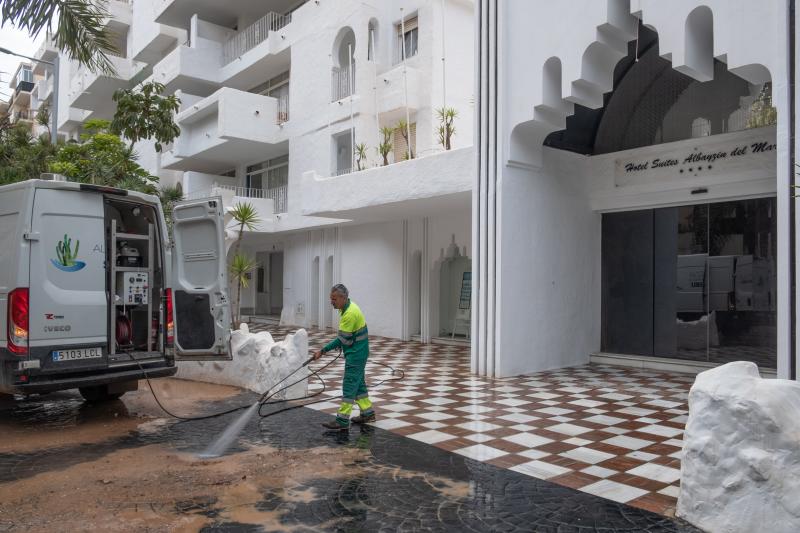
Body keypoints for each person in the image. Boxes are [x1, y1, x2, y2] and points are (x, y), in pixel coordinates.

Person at [314, 284, 375, 430]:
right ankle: (368, 413)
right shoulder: (348, 307)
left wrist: (322, 351)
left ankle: (342, 420)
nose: (331, 302)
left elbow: (341, 339)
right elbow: (347, 337)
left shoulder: (349, 314)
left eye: (334, 299)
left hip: (356, 355)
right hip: (358, 352)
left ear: (343, 297)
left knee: (349, 386)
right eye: (331, 299)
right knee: (358, 384)